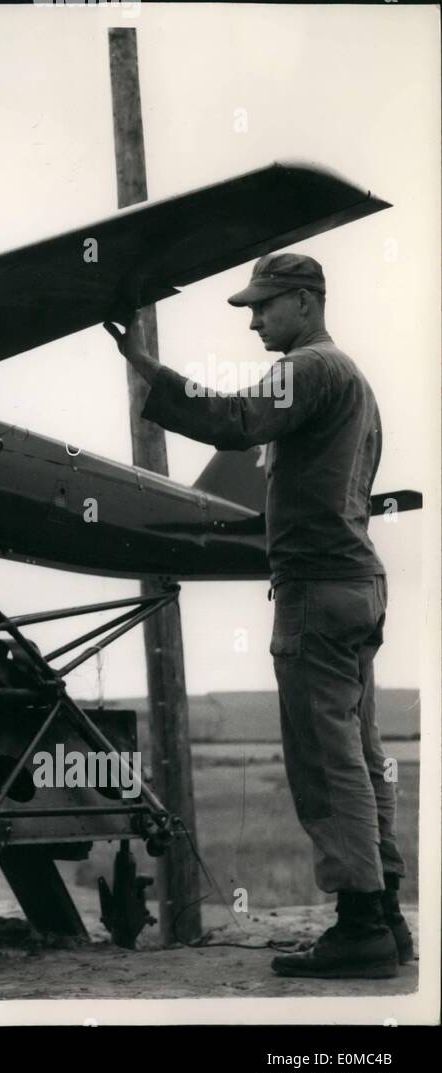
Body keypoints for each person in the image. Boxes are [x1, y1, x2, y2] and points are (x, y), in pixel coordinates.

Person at [104, 253, 410, 980]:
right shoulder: (354, 381)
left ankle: (360, 926)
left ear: (304, 303)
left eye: (263, 305)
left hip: (314, 589)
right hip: (357, 584)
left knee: (324, 760)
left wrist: (148, 367)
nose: (252, 320)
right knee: (362, 757)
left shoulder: (307, 369)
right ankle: (387, 917)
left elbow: (235, 420)